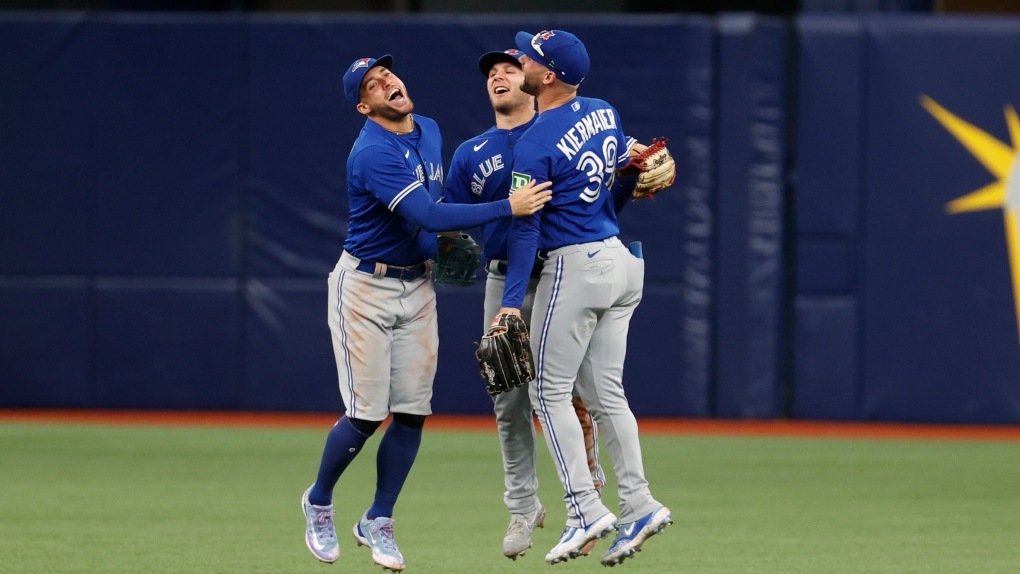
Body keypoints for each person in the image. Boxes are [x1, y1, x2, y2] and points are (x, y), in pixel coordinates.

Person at [299, 54, 552, 571]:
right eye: (373, 83)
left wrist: (442, 247)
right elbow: (429, 214)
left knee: (413, 412)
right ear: (363, 105)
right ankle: (319, 500)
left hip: (416, 285)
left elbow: (435, 219)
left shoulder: (430, 130)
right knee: (367, 414)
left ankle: (379, 519)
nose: (387, 81)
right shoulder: (371, 153)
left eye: (388, 73)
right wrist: (510, 206)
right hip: (365, 286)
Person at [443, 48, 647, 561]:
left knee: (574, 393)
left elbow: (601, 201)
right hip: (506, 277)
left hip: (562, 273)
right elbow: (447, 219)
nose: (500, 75)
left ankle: (588, 503)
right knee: (510, 398)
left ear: (535, 79)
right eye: (491, 72)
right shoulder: (471, 152)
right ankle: (523, 506)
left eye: (511, 67)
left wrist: (629, 177)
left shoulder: (556, 131)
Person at [497, 30, 673, 566]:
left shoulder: (534, 140)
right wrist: (639, 169)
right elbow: (626, 176)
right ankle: (640, 503)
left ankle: (584, 509)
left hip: (576, 265)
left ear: (547, 76)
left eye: (528, 56)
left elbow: (526, 229)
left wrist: (509, 302)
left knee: (546, 395)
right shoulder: (603, 111)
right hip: (620, 261)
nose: (519, 59)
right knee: (606, 395)